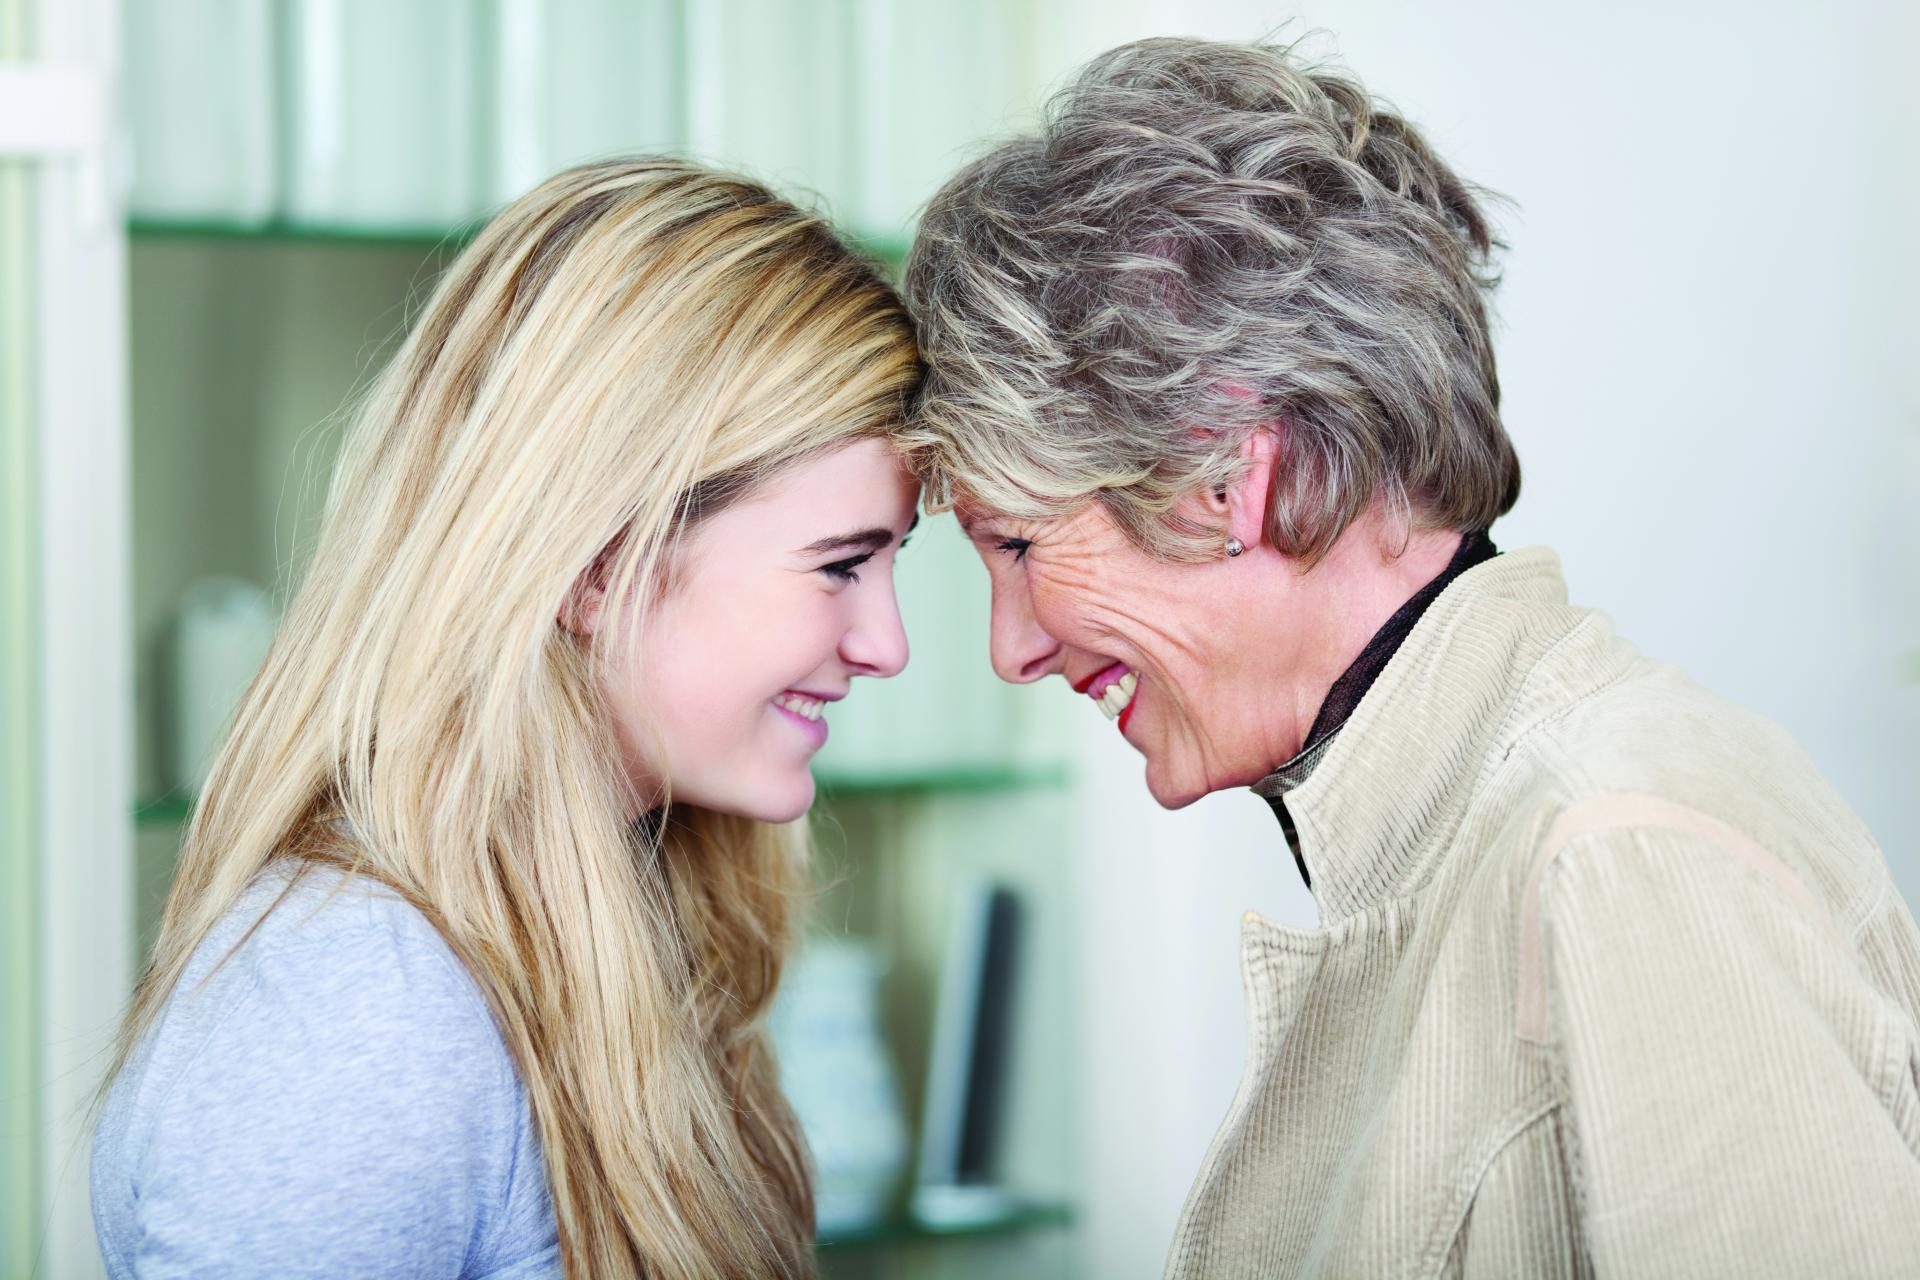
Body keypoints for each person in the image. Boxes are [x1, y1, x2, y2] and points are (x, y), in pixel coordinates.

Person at [902, 36, 1920, 1278]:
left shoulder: (1621, 854)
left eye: (1015, 544)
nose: (1010, 648)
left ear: (1234, 470)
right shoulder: (1478, 836)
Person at [91, 159, 920, 1280]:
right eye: (840, 566)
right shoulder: (359, 1012)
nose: (887, 642)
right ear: (597, 567)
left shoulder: (634, 920)